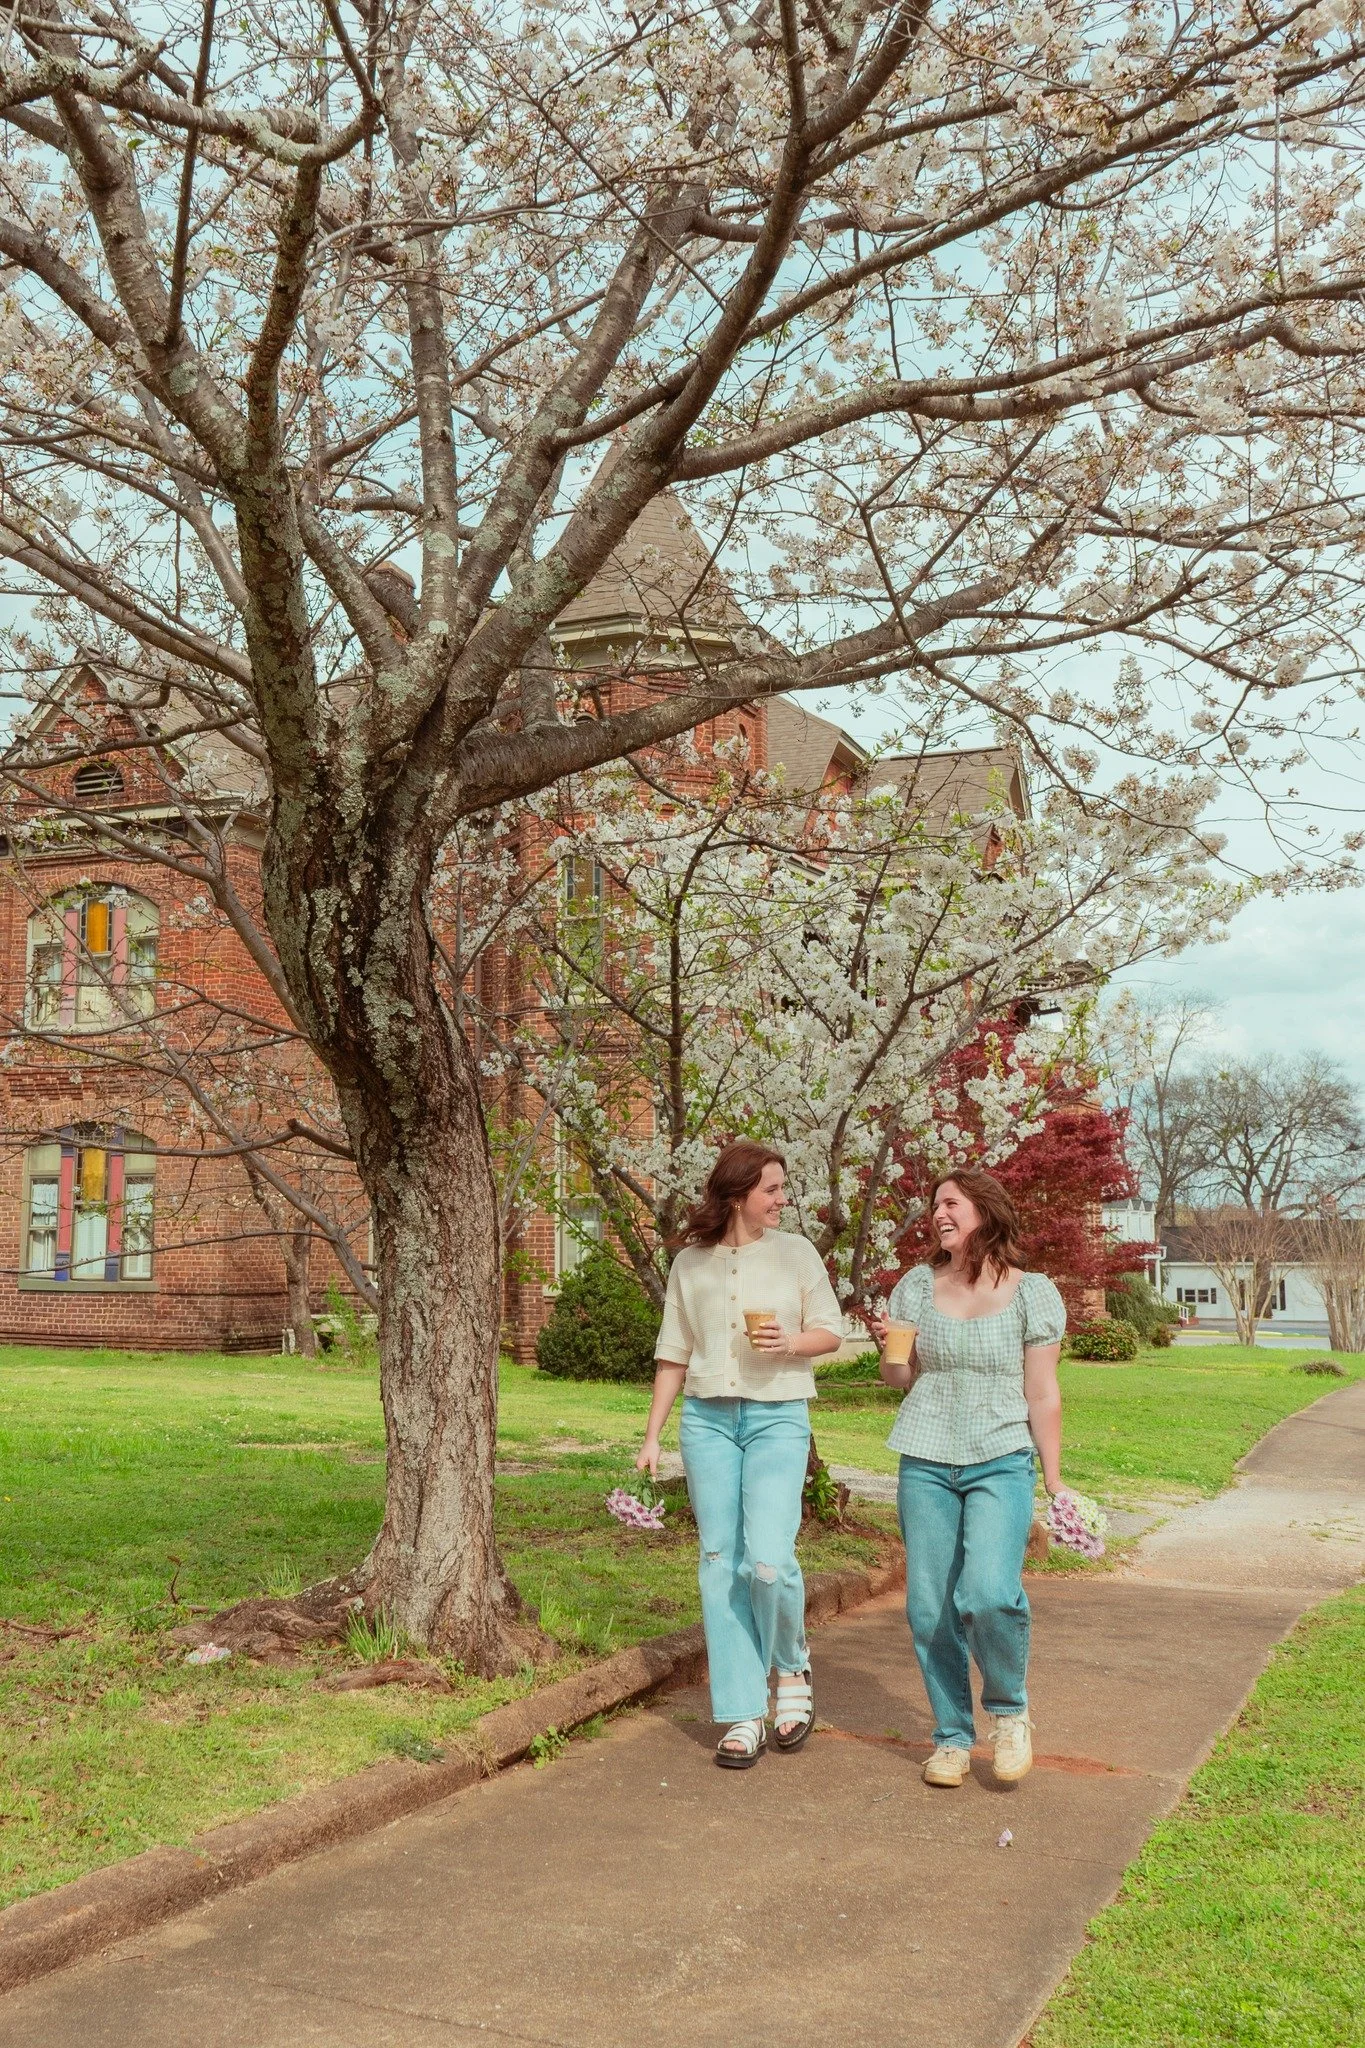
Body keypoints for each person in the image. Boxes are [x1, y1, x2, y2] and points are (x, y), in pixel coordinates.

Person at [637, 1141, 843, 1768]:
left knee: (769, 1562)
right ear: (736, 1195)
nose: (784, 1200)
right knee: (720, 1559)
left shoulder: (797, 1254)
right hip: (707, 1421)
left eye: (784, 1188)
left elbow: (831, 1331)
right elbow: (674, 1352)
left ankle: (790, 1669)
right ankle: (740, 1709)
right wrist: (652, 1436)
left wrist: (791, 1341)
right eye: (772, 1190)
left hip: (778, 1415)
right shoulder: (689, 1264)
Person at [871, 1168, 1065, 1788]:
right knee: (929, 1607)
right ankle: (953, 1736)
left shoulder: (1032, 1292)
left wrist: (1054, 1481)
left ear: (985, 1209)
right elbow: (899, 1381)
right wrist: (890, 1352)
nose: (938, 1213)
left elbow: (1042, 1390)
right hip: (925, 1458)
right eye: (934, 1205)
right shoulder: (914, 1288)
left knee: (987, 1593)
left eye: (950, 1202)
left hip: (1001, 1457)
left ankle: (1009, 1713)